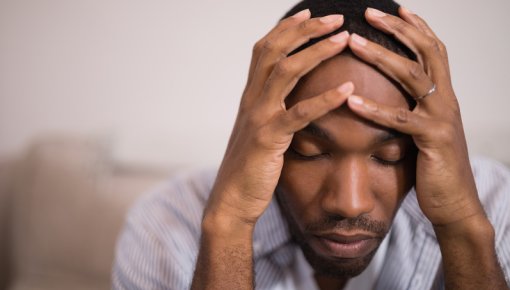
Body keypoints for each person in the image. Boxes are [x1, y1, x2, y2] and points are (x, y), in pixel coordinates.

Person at [112, 0, 510, 289]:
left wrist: (461, 227)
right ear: (256, 141)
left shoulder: (497, 205)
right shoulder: (164, 226)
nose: (349, 202)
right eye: (309, 151)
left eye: (389, 156)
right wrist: (229, 225)